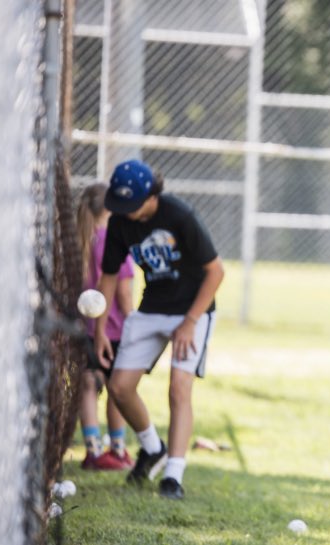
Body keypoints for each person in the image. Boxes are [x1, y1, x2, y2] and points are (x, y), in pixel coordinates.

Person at [94, 159, 225, 500]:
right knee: (120, 387)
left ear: (152, 196)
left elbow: (216, 272)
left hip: (193, 309)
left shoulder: (179, 215)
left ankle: (173, 478)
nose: (125, 212)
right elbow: (107, 278)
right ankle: (152, 448)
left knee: (179, 389)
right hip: (151, 308)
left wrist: (190, 322)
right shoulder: (121, 223)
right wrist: (99, 332)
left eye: (131, 204)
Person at [76, 183, 136, 471]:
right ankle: (119, 450)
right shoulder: (113, 243)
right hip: (115, 331)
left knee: (88, 384)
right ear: (110, 210)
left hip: (82, 329)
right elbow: (123, 295)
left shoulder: (77, 242)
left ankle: (93, 451)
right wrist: (134, 322)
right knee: (118, 390)